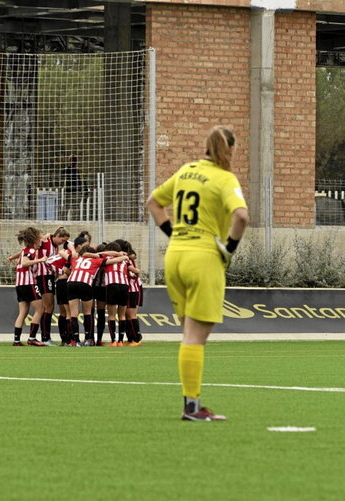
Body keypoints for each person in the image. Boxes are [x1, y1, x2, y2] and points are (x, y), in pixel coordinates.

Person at [146, 125, 249, 421]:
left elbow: (154, 203)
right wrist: (229, 248)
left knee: (187, 333)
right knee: (194, 337)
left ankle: (192, 404)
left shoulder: (186, 170)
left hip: (175, 256)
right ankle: (192, 408)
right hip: (203, 258)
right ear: (229, 150)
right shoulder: (224, 178)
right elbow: (241, 215)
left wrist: (173, 233)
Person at [66, 242, 128, 346]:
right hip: (89, 284)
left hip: (71, 282)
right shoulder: (97, 260)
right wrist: (122, 256)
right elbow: (113, 260)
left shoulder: (75, 258)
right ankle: (89, 339)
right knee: (89, 313)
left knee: (74, 314)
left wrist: (73, 251)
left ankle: (75, 340)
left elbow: (63, 251)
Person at [7, 227, 48, 346]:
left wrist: (11, 257)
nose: (41, 241)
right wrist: (41, 259)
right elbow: (25, 262)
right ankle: (32, 338)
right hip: (28, 283)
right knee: (40, 309)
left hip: (19, 284)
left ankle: (16, 340)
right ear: (35, 240)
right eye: (40, 238)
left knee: (23, 312)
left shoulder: (26, 249)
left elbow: (21, 253)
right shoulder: (30, 251)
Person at [35, 227, 71, 345]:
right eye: (62, 240)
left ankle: (46, 337)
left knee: (49, 306)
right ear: (58, 236)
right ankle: (45, 338)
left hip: (50, 276)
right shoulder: (45, 241)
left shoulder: (55, 246)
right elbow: (32, 244)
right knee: (48, 306)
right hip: (43, 276)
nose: (62, 243)